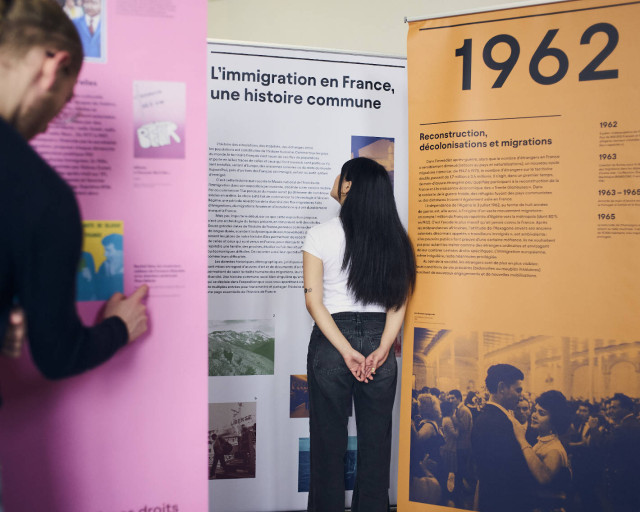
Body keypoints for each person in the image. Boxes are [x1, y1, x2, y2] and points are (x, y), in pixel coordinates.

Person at [0, 0, 148, 382]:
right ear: (53, 66)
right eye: (65, 101)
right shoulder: (42, 195)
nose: (49, 124)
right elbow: (58, 355)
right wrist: (119, 326)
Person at [302, 157, 416, 512]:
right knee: (376, 445)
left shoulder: (319, 234)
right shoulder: (396, 238)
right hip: (380, 341)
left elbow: (313, 302)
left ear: (348, 185)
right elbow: (399, 301)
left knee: (327, 444)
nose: (336, 179)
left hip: (331, 341)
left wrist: (345, 349)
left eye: (341, 174)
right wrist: (383, 347)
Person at [471, 364, 536, 512]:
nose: (521, 396)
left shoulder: (487, 417)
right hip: (504, 503)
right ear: (501, 388)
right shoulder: (499, 423)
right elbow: (507, 473)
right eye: (518, 390)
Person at [510, 390, 572, 512]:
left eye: (541, 413)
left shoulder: (554, 449)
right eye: (535, 410)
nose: (534, 415)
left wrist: (522, 440)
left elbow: (543, 477)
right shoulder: (543, 442)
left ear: (554, 420)